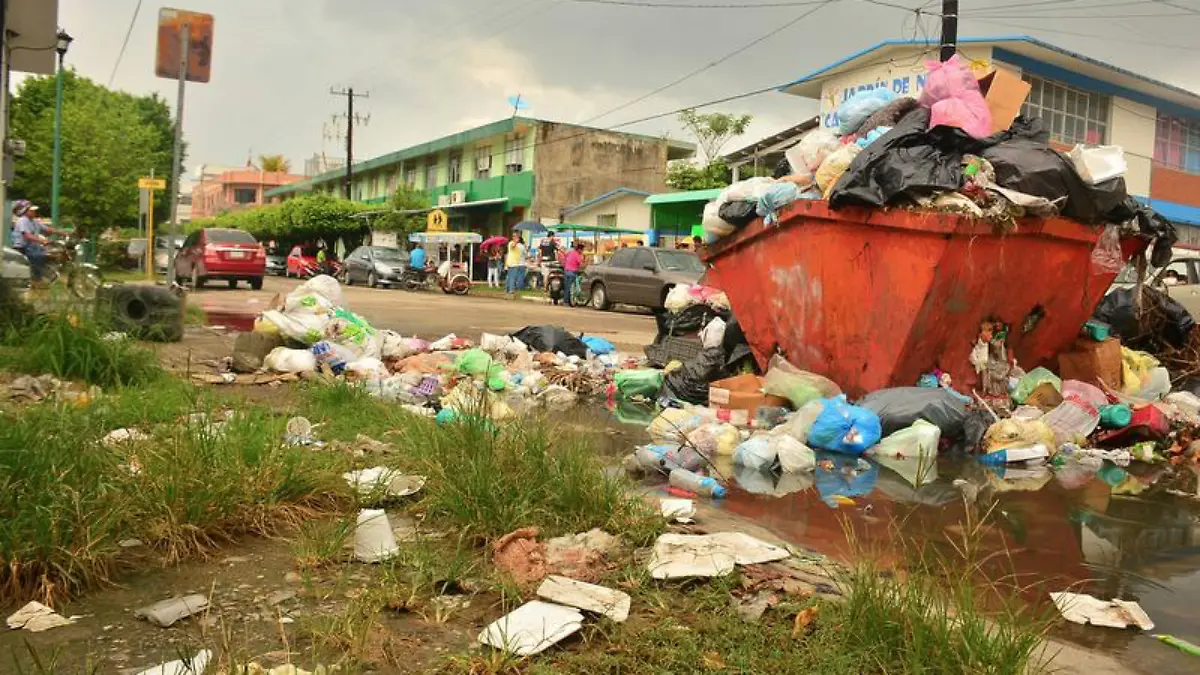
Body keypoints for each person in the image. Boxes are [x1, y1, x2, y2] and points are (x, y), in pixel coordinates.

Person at [10, 201, 61, 283]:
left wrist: (64, 232)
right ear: (24, 211)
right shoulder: (22, 220)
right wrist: (42, 240)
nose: (34, 212)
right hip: (22, 248)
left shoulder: (35, 221)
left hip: (31, 247)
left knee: (48, 253)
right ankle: (37, 280)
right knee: (38, 257)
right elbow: (27, 235)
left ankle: (45, 277)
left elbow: (48, 230)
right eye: (31, 210)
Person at [563, 241, 585, 308]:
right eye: (582, 250)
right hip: (572, 272)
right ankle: (570, 300)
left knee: (567, 287)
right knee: (572, 287)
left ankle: (565, 301)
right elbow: (581, 264)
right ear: (579, 249)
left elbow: (565, 257)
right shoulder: (577, 255)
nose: (582, 251)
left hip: (566, 271)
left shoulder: (570, 253)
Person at [504, 231, 527, 297]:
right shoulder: (511, 243)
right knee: (512, 278)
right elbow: (513, 246)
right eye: (514, 236)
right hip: (513, 263)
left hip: (514, 263)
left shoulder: (520, 246)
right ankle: (511, 291)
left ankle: (507, 290)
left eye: (516, 237)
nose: (515, 238)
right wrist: (516, 242)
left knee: (509, 277)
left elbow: (524, 253)